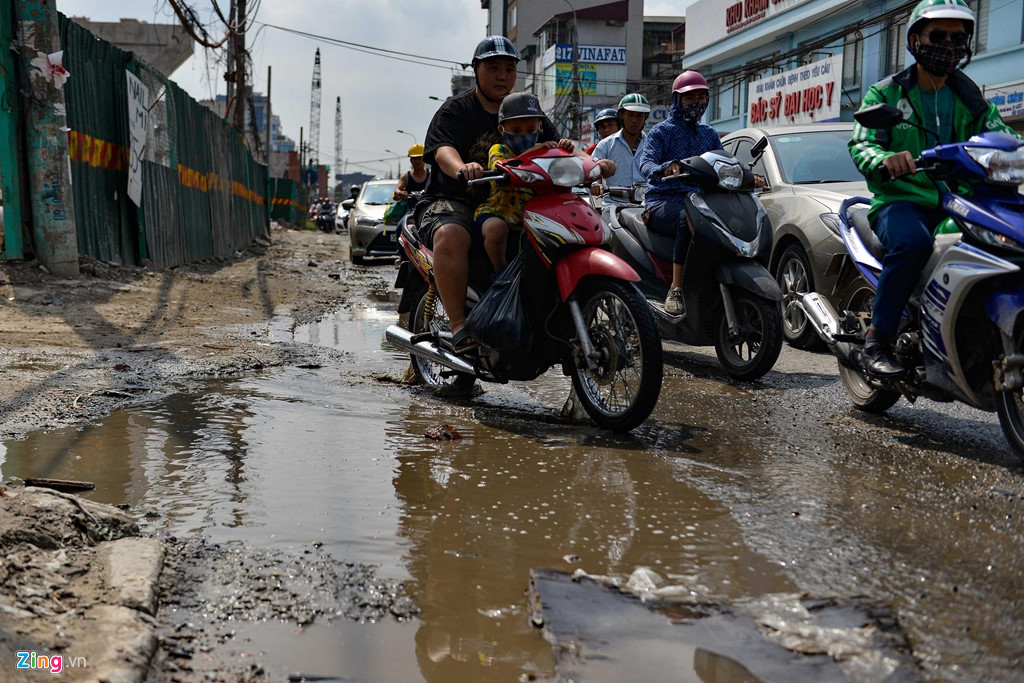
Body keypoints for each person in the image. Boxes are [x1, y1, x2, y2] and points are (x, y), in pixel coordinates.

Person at [849, 0, 1023, 377]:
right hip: (902, 201)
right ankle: (877, 339)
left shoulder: (971, 99)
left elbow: (1003, 138)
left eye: (957, 38)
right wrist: (885, 159)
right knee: (913, 244)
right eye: (938, 35)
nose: (948, 44)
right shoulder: (887, 94)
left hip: (960, 202)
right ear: (914, 40)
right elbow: (863, 143)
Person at [421, 36, 602, 354]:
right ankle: (460, 327)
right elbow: (442, 150)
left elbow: (559, 149)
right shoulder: (456, 110)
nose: (502, 75)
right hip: (457, 199)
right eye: (493, 68)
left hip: (518, 200)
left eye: (508, 68)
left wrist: (590, 164)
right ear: (476, 70)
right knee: (451, 234)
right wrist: (463, 167)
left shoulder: (527, 112)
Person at [638, 72, 724, 317]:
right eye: (690, 97)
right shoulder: (660, 133)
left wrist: (747, 175)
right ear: (677, 100)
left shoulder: (709, 134)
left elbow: (723, 161)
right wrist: (663, 168)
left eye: (701, 96)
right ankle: (676, 288)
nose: (696, 102)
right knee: (688, 219)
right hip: (661, 201)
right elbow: (646, 163)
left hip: (699, 201)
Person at [474, 92, 576, 272]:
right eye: (516, 131)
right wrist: (532, 152)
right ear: (502, 130)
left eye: (530, 130)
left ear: (540, 127)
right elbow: (503, 167)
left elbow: (565, 166)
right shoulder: (499, 149)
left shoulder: (545, 150)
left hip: (534, 219)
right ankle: (501, 273)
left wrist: (564, 149)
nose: (524, 136)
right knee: (496, 230)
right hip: (498, 212)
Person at [590, 93, 652, 210]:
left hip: (646, 207)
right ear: (621, 115)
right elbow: (592, 170)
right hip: (613, 207)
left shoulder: (652, 145)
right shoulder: (605, 145)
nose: (634, 120)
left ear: (645, 118)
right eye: (630, 115)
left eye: (639, 116)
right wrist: (595, 185)